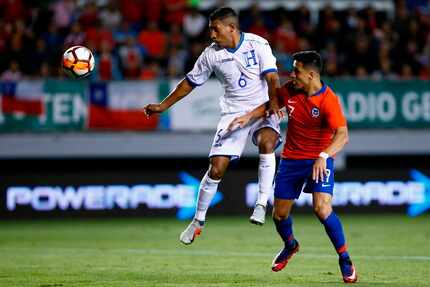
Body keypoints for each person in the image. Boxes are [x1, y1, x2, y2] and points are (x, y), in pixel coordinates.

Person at [143, 7, 283, 244]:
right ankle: (198, 220)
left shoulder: (258, 44)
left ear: (231, 28)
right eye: (210, 30)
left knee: (267, 142)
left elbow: (272, 78)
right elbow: (189, 83)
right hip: (232, 113)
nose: (212, 35)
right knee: (217, 168)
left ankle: (260, 203)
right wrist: (163, 106)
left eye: (215, 29)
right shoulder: (211, 54)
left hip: (262, 107)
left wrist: (273, 104)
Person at [227, 51, 358, 283]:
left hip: (319, 159)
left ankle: (345, 259)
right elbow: (270, 104)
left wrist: (324, 155)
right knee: (279, 215)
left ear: (311, 74)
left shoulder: (328, 100)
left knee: (322, 209)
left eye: (296, 70)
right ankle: (290, 245)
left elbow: (342, 135)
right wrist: (247, 117)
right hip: (291, 160)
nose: (291, 74)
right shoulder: (291, 90)